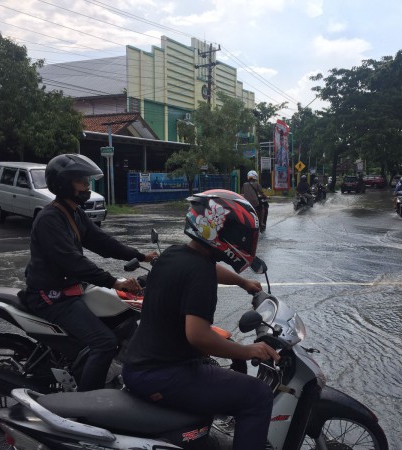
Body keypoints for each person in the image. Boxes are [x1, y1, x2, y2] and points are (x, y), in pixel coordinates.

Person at [123, 190, 280, 450]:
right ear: (221, 231)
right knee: (258, 395)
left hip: (142, 365)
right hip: (164, 374)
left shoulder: (176, 255)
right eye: (240, 234)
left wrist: (242, 282)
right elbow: (198, 335)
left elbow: (208, 268)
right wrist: (247, 350)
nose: (243, 241)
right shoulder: (200, 273)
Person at [23, 153, 159, 392]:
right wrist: (115, 282)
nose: (87, 185)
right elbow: (73, 262)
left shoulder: (73, 213)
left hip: (70, 289)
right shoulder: (49, 219)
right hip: (52, 296)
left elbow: (102, 242)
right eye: (81, 181)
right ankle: (87, 407)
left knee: (122, 319)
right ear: (63, 183)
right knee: (104, 342)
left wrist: (139, 255)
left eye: (87, 180)